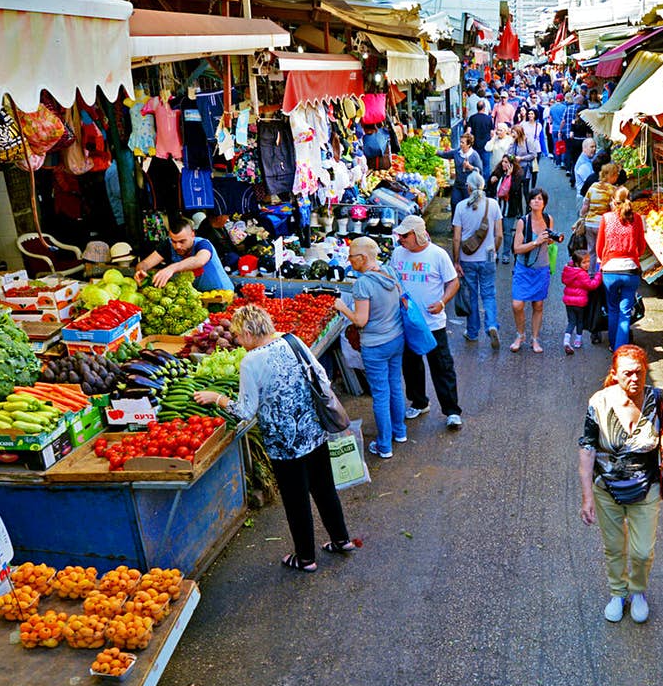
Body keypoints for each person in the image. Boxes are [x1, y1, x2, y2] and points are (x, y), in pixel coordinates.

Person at [193, 304, 352, 573]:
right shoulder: (293, 340)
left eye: (238, 336)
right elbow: (321, 378)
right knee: (325, 489)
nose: (237, 341)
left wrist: (217, 398)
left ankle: (305, 558)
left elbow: (245, 411)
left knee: (296, 500)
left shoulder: (251, 361)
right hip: (313, 431)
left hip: (283, 444)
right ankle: (341, 540)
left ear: (247, 332)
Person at [578, 345, 663, 624]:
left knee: (642, 551)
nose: (634, 379)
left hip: (646, 486)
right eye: (627, 374)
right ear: (615, 374)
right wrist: (587, 497)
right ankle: (618, 593)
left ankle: (638, 591)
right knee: (614, 546)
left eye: (639, 373)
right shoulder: (599, 402)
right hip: (607, 488)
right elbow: (587, 448)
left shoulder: (657, 398)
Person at [388, 215, 464, 429]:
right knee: (411, 365)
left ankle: (451, 410)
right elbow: (393, 281)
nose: (400, 239)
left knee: (441, 366)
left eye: (405, 235)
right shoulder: (398, 253)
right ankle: (419, 402)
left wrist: (442, 302)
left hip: (433, 323)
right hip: (406, 322)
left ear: (417, 234)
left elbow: (453, 282)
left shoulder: (438, 255)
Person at [334, 238, 405, 459]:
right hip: (396, 338)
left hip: (375, 345)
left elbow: (361, 320)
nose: (349, 260)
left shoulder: (362, 284)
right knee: (395, 385)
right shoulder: (389, 272)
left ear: (363, 258)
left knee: (381, 394)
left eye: (352, 256)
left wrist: (342, 307)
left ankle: (384, 445)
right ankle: (400, 432)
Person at [452, 172, 503, 346]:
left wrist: (456, 260)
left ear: (468, 187)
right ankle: (491, 325)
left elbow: (457, 238)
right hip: (488, 255)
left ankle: (472, 332)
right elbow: (499, 235)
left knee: (471, 295)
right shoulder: (493, 205)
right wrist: (493, 252)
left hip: (468, 258)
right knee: (488, 294)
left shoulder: (460, 207)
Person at [596, 187, 646, 350]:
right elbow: (642, 247)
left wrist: (603, 260)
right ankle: (621, 347)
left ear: (613, 201)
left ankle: (613, 345)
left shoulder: (606, 218)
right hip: (630, 271)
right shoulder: (637, 219)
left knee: (612, 309)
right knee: (625, 311)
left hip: (610, 270)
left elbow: (599, 247)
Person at [134, 213, 234, 292]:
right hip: (198, 298)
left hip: (222, 294)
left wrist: (172, 268)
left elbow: (199, 260)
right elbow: (145, 263)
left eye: (182, 241)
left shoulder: (203, 244)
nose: (177, 246)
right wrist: (141, 270)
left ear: (192, 235)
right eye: (174, 241)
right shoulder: (167, 245)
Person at [509, 188, 556, 353]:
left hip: (542, 268)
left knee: (538, 305)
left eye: (540, 199)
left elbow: (549, 243)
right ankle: (520, 334)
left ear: (544, 203)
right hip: (523, 268)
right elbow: (517, 248)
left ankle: (535, 339)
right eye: (534, 199)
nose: (537, 201)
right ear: (528, 202)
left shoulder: (548, 219)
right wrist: (536, 242)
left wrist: (550, 240)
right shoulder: (523, 221)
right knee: (517, 304)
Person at [561, 242, 601, 354]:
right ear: (578, 263)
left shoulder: (568, 271)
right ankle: (578, 340)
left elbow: (564, 281)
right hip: (580, 302)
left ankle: (566, 340)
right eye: (584, 262)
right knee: (579, 321)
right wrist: (598, 275)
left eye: (588, 261)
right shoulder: (582, 274)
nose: (587, 264)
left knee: (571, 321)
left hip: (568, 302)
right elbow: (591, 285)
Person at [578, 162, 620, 251]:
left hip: (589, 223)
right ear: (612, 176)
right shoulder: (613, 190)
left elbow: (585, 206)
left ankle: (592, 265)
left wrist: (582, 218)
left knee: (591, 251)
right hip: (602, 224)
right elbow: (614, 210)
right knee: (602, 251)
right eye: (616, 175)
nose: (617, 177)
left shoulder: (593, 186)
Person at [438, 133, 481, 216]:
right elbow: (445, 154)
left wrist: (470, 167)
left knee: (467, 207)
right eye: (460, 142)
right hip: (457, 185)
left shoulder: (474, 156)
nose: (460, 144)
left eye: (463, 143)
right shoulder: (457, 152)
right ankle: (454, 225)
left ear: (468, 144)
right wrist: (435, 151)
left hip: (468, 187)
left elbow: (480, 171)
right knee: (454, 203)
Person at [494, 155, 526, 264]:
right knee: (496, 232)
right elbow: (491, 187)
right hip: (497, 208)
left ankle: (506, 254)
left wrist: (508, 176)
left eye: (506, 162)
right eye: (503, 161)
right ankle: (495, 253)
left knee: (507, 232)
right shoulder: (497, 173)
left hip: (509, 209)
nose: (504, 164)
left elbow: (514, 190)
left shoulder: (517, 176)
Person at [467, 101, 495, 178]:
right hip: (486, 146)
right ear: (484, 108)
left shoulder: (472, 118)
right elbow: (492, 133)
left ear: (477, 108)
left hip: (475, 146)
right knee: (486, 166)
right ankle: (485, 184)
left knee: (474, 165)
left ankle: (475, 180)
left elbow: (468, 132)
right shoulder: (489, 119)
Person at [512, 114, 541, 189]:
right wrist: (512, 157)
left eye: (514, 133)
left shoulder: (527, 141)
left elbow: (533, 155)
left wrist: (521, 158)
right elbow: (510, 153)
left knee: (525, 189)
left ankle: (532, 190)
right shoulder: (513, 143)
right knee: (517, 189)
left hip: (526, 168)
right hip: (516, 168)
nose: (512, 135)